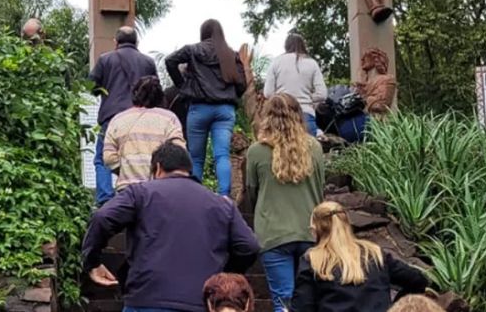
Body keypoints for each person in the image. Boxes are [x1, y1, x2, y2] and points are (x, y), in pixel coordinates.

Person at [82, 142, 261, 312]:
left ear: (158, 168)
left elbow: (102, 217)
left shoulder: (140, 193)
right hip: (200, 300)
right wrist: (222, 276)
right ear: (189, 170)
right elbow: (249, 246)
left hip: (146, 298)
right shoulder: (222, 205)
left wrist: (92, 262)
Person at [246, 95, 326, 312]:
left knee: (283, 300)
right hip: (309, 231)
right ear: (298, 115)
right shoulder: (315, 148)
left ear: (267, 117)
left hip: (273, 234)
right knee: (310, 299)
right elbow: (321, 189)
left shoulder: (256, 151)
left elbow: (251, 193)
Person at [291, 202, 429, 312]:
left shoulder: (313, 261)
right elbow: (418, 280)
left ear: (315, 231)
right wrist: (396, 306)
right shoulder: (374, 253)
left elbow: (302, 307)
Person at [165, 19, 247, 196]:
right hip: (225, 109)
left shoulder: (192, 50)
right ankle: (224, 196)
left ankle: (194, 196)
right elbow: (242, 84)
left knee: (196, 158)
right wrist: (230, 95)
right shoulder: (231, 55)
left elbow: (170, 61)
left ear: (203, 33)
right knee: (222, 155)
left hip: (199, 107)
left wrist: (183, 86)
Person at [89, 26, 158, 205]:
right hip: (141, 116)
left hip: (111, 116)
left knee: (103, 158)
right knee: (142, 155)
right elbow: (155, 89)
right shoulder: (148, 62)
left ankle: (105, 199)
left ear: (116, 42)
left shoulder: (105, 59)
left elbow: (91, 87)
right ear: (137, 42)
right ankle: (142, 195)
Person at [104, 76, 186, 191]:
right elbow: (178, 152)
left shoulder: (118, 119)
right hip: (160, 188)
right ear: (160, 96)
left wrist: (124, 170)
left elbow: (108, 157)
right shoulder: (169, 118)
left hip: (128, 189)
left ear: (135, 94)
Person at [263, 34, 329, 135]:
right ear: (303, 45)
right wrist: (307, 97)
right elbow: (322, 94)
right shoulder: (312, 63)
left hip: (281, 116)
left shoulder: (276, 63)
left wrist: (282, 98)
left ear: (286, 46)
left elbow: (268, 93)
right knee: (310, 144)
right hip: (305, 115)